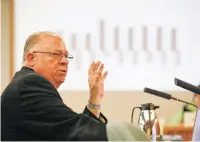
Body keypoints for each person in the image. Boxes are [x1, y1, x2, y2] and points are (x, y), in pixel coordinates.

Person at [1, 31, 109, 141]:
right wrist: (122, 134)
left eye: (66, 56)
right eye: (56, 54)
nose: (65, 61)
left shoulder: (24, 83)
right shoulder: (29, 83)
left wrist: (94, 100)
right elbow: (76, 132)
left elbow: (71, 132)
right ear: (31, 58)